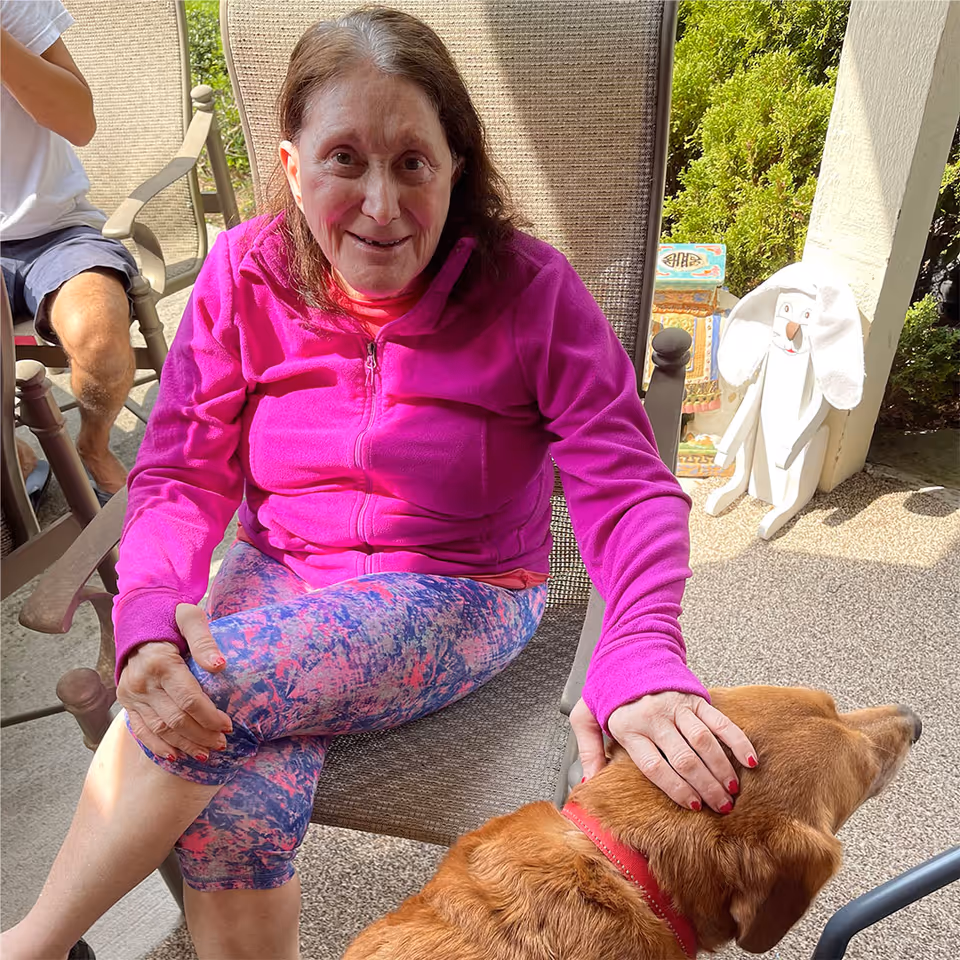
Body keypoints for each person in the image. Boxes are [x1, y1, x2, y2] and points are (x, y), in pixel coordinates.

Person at [1, 9, 758, 959]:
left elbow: (627, 485)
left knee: (197, 688)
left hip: (458, 587)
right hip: (278, 571)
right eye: (345, 160)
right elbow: (183, 470)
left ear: (456, 169)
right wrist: (151, 602)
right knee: (231, 810)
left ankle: (30, 946)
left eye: (413, 163)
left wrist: (639, 649)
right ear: (291, 165)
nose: (380, 203)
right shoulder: (244, 274)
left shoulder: (531, 291)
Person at [1, 0, 137, 500]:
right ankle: (13, 454)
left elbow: (80, 123)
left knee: (99, 343)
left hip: (56, 231)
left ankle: (93, 447)